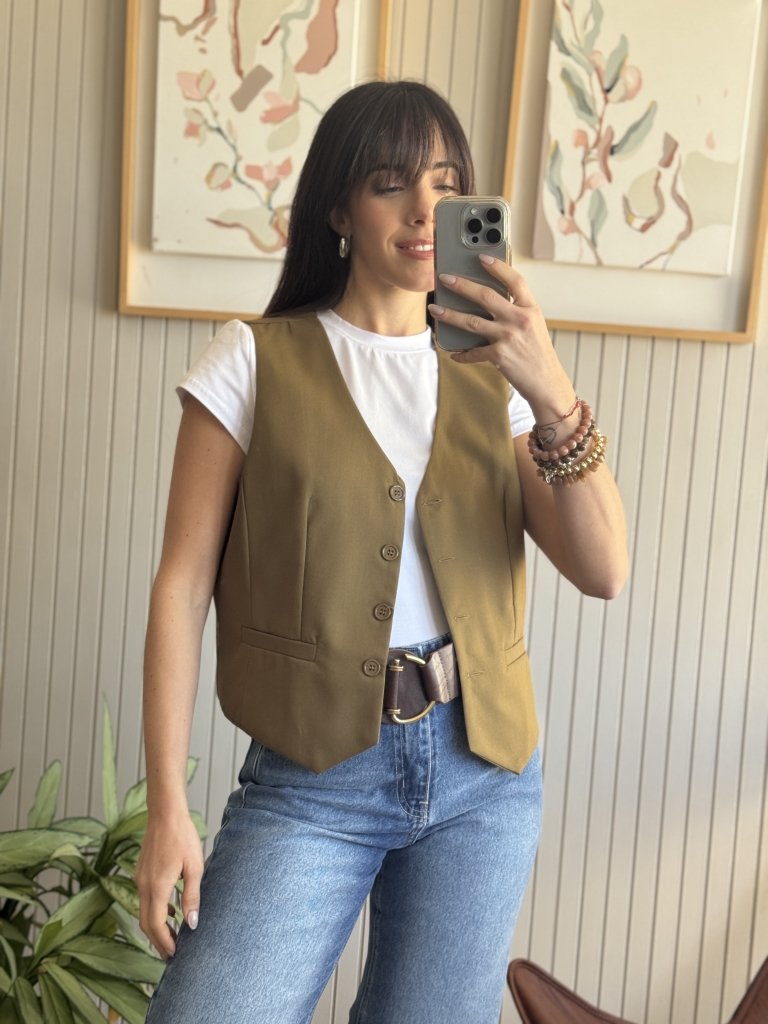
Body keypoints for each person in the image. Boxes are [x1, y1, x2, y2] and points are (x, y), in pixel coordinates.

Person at [136, 80, 628, 1024]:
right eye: (391, 183)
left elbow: (604, 570)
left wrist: (549, 384)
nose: (424, 211)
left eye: (445, 183)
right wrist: (168, 806)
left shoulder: (496, 375)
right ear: (338, 210)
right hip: (312, 779)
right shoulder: (253, 359)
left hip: (484, 772)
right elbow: (181, 587)